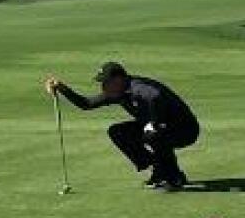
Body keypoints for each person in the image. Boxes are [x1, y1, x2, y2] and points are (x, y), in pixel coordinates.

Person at [45, 61, 200, 190]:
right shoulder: (117, 93)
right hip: (162, 128)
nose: (103, 86)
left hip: (185, 130)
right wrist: (62, 88)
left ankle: (174, 177)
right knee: (118, 132)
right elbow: (86, 104)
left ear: (119, 79)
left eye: (106, 82)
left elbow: (154, 95)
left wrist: (154, 122)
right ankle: (159, 169)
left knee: (153, 135)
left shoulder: (138, 88)